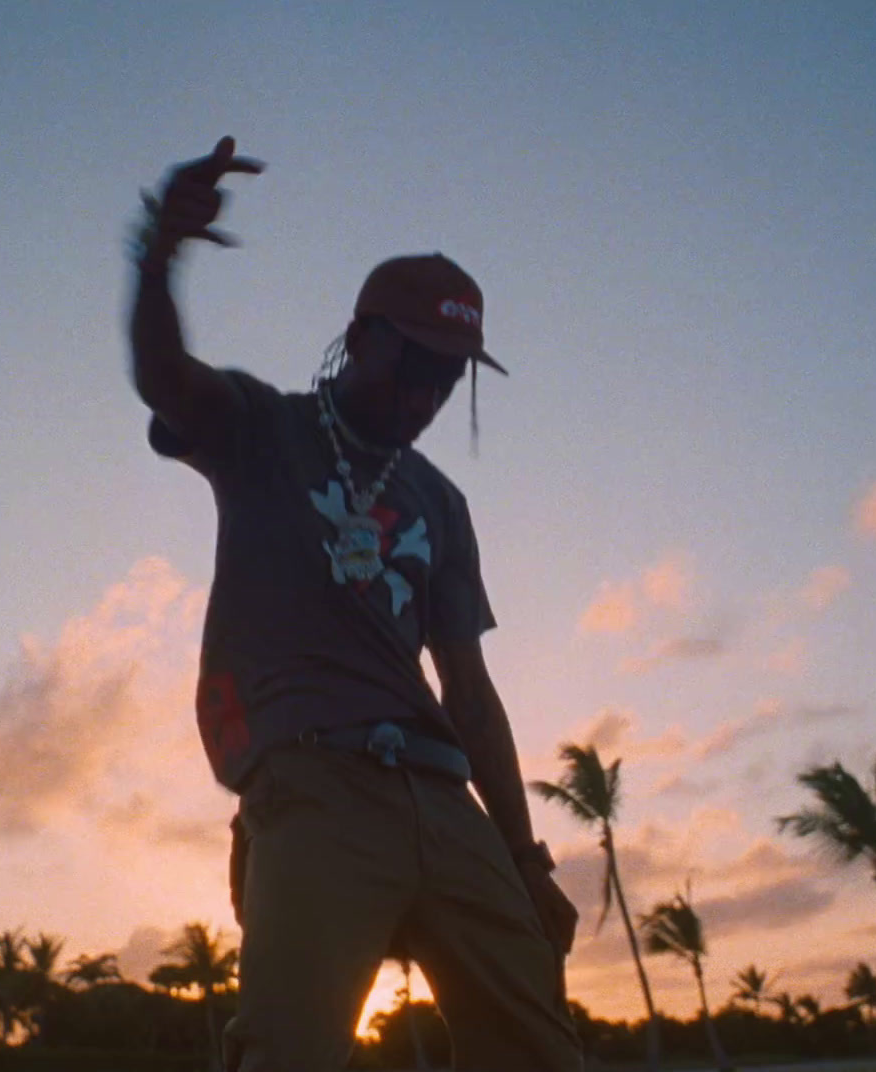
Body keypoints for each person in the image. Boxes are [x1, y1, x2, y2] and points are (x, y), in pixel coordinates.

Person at [127, 136, 582, 1072]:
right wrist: (159, 247)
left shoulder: (441, 503)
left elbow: (470, 687)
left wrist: (525, 858)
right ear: (361, 335)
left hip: (444, 796)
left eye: (448, 376)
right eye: (414, 362)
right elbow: (165, 377)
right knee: (288, 1051)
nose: (426, 392)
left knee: (541, 1050)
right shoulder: (263, 429)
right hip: (316, 786)